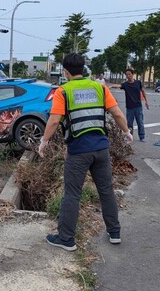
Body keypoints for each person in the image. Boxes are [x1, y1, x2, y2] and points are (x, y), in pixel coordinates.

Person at [38, 53, 133, 251]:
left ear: (65, 71)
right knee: (106, 190)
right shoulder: (99, 87)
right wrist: (126, 132)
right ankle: (114, 232)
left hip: (78, 151)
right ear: (84, 69)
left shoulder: (63, 91)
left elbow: (54, 120)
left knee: (72, 194)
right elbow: (116, 113)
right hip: (101, 149)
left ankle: (66, 239)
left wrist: (44, 141)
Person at [111, 68, 149, 142]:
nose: (128, 76)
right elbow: (118, 86)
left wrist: (146, 101)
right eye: (127, 74)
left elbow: (143, 91)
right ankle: (130, 137)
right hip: (129, 107)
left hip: (138, 106)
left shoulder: (138, 82)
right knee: (129, 124)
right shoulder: (125, 84)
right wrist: (111, 86)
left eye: (129, 74)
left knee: (140, 122)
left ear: (132, 74)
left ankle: (142, 137)